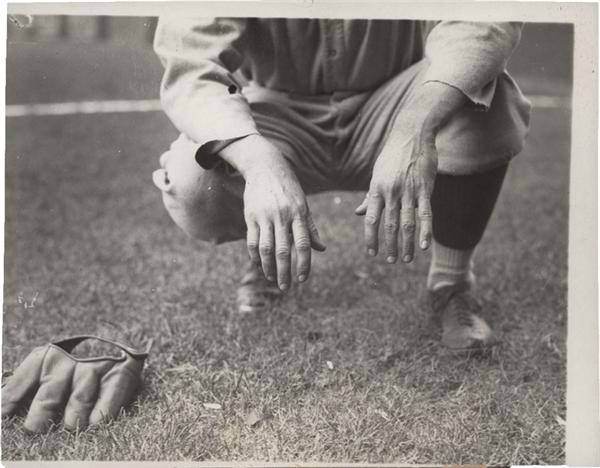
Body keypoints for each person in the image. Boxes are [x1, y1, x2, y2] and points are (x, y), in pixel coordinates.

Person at [151, 18, 531, 350]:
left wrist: (414, 127)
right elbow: (191, 59)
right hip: (280, 107)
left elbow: (482, 20)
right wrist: (259, 163)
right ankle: (269, 257)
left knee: (483, 94)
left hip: (398, 96)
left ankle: (451, 284)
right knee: (193, 178)